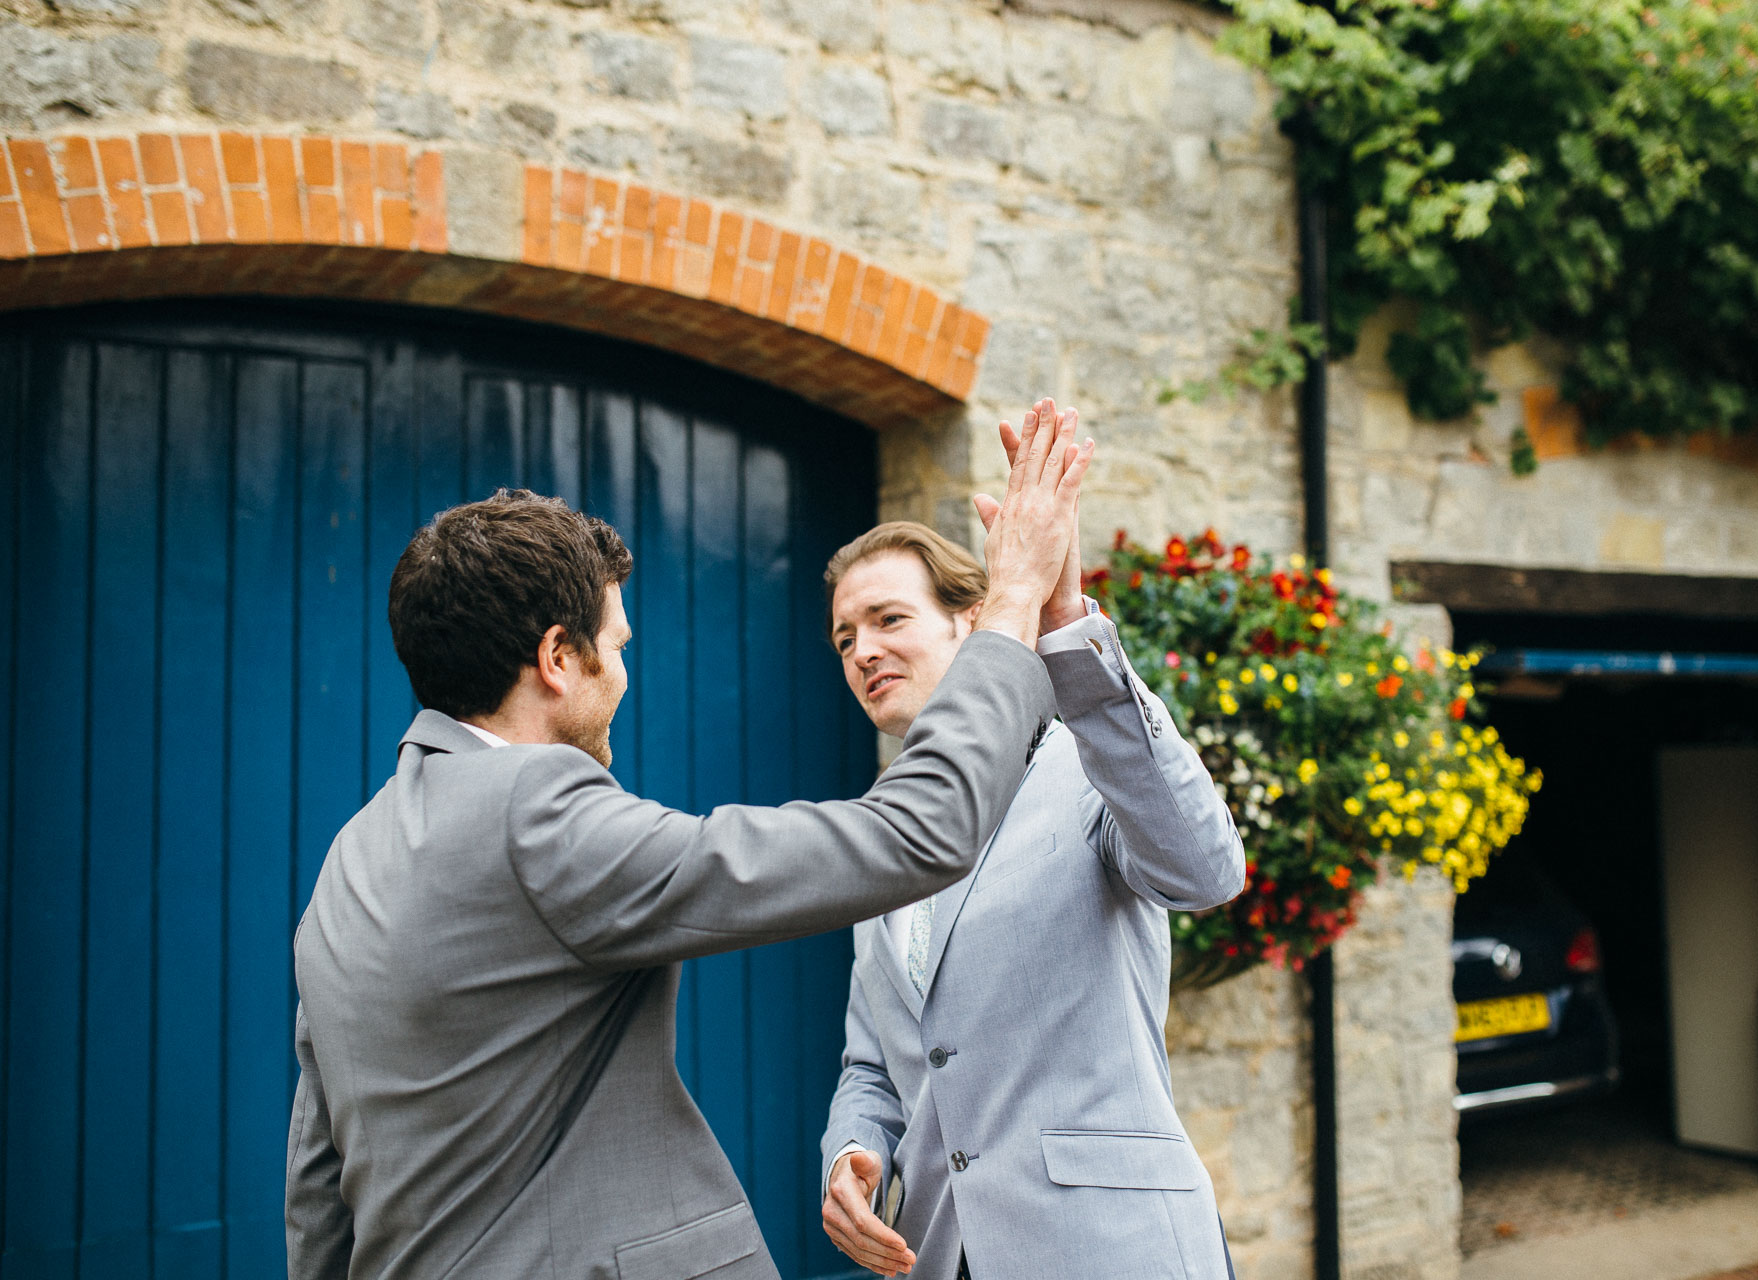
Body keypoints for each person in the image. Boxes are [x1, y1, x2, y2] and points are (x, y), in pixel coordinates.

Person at [284, 405, 1092, 1280]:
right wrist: (1012, 602)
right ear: (559, 657)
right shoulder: (537, 809)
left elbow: (319, 1183)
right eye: (616, 646)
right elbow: (916, 832)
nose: (624, 676)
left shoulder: (349, 859)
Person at [817, 400, 1244, 1280]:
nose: (862, 651)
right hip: (943, 1255)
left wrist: (1067, 638)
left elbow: (1205, 872)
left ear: (971, 623)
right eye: (844, 636)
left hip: (1110, 1250)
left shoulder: (1087, 767)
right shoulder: (882, 826)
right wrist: (854, 1152)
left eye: (890, 620)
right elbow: (874, 1056)